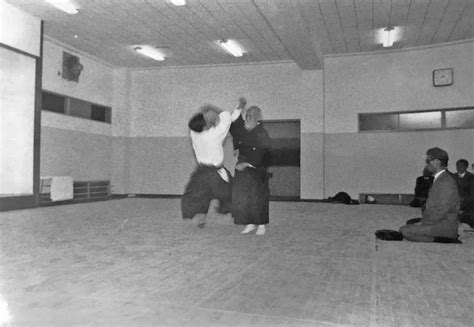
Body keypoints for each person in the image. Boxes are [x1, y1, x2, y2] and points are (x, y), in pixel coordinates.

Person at [181, 98, 246, 228]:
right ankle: (240, 213)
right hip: (215, 174)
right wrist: (217, 109)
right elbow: (228, 119)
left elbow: (224, 121)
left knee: (201, 195)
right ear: (205, 125)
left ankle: (200, 218)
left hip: (201, 172)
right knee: (232, 191)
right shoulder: (214, 134)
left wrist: (208, 116)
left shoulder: (195, 134)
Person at [399, 147, 460, 242]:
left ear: (436, 162)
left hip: (444, 225)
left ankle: (443, 239)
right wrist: (423, 221)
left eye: (428, 161)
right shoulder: (440, 179)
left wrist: (424, 223)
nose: (427, 164)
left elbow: (442, 210)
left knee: (404, 231)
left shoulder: (446, 182)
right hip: (437, 221)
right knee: (410, 223)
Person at [230, 105, 272, 235]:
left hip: (257, 170)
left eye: (250, 115)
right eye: (246, 115)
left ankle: (261, 225)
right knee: (244, 197)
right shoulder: (243, 130)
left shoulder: (262, 133)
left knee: (258, 198)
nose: (247, 117)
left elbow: (263, 153)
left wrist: (247, 163)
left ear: (257, 118)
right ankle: (250, 222)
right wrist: (236, 147)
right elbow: (235, 135)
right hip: (243, 170)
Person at [451, 159, 474, 228]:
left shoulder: (471, 177)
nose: (458, 168)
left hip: (466, 207)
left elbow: (472, 195)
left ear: (466, 167)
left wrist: (462, 207)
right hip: (453, 205)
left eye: (461, 166)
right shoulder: (453, 176)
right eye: (457, 166)